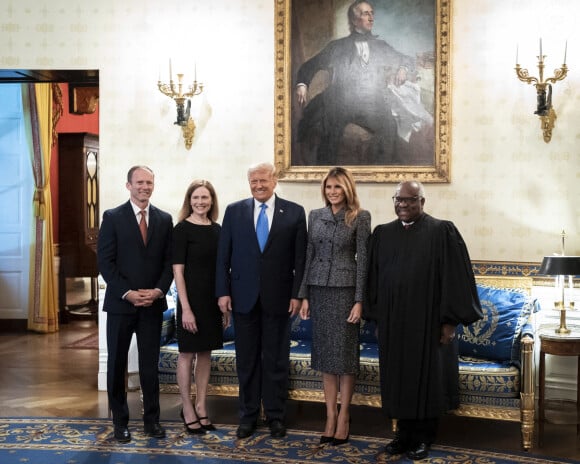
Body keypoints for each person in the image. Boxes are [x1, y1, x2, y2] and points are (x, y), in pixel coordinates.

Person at [364, 180, 482, 460]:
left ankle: (424, 438)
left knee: (427, 379)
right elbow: (373, 281)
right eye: (398, 199)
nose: (403, 204)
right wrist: (379, 319)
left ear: (422, 202)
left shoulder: (442, 231)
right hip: (394, 322)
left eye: (410, 199)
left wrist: (450, 322)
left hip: (429, 323)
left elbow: (456, 280)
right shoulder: (382, 234)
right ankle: (402, 436)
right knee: (398, 378)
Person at [216, 162, 307, 439]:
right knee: (247, 361)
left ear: (275, 180)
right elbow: (223, 256)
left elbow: (300, 259)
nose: (258, 186)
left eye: (263, 180)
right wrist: (223, 292)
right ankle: (248, 416)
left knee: (276, 360)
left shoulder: (294, 212)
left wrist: (297, 294)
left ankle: (276, 416)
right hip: (243, 300)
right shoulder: (234, 211)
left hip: (279, 299)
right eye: (253, 181)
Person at [295, 0, 432, 166]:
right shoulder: (337, 46)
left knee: (388, 127)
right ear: (354, 20)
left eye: (372, 13)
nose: (371, 17)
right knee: (329, 132)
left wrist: (403, 68)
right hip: (340, 102)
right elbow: (310, 65)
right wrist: (302, 84)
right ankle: (325, 174)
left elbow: (406, 59)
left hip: (371, 103)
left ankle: (381, 174)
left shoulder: (381, 46)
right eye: (365, 13)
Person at [97, 165, 173, 443]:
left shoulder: (164, 220)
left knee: (150, 365)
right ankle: (120, 422)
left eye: (149, 182)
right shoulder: (113, 217)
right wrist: (127, 292)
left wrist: (158, 290)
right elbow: (105, 262)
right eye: (139, 182)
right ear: (128, 185)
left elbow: (168, 262)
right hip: (121, 304)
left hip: (152, 305)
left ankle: (152, 421)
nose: (145, 187)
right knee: (117, 364)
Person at [298, 167, 370, 446]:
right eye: (328, 187)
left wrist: (359, 301)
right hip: (318, 291)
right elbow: (308, 255)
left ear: (348, 189)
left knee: (345, 357)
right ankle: (329, 415)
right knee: (326, 357)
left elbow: (363, 261)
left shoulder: (360, 217)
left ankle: (344, 416)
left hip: (345, 292)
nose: (332, 192)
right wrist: (304, 295)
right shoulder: (315, 215)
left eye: (337, 187)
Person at [172, 180, 227, 435]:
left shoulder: (218, 230)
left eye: (205, 198)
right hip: (190, 301)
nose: (200, 202)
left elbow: (223, 269)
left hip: (212, 302)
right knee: (187, 354)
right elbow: (178, 273)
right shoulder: (181, 230)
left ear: (212, 201)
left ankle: (202, 405)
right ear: (189, 201)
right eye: (196, 198)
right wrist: (186, 309)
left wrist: (224, 307)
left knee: (206, 354)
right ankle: (187, 407)